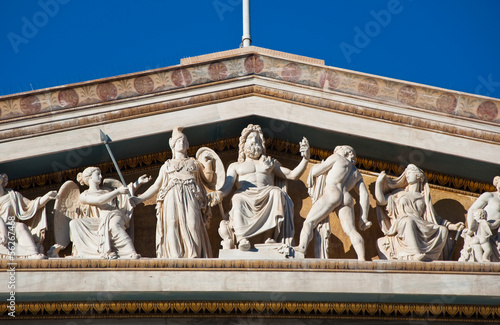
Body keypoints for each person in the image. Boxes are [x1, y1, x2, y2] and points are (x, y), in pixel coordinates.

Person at [209, 124, 310, 251]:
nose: (254, 141)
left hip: (267, 193)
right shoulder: (235, 166)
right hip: (245, 195)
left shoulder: (269, 163)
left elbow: (292, 175)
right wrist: (219, 194)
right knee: (237, 199)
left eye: (257, 139)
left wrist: (305, 159)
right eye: (251, 138)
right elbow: (228, 186)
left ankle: (269, 237)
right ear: (244, 144)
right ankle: (242, 239)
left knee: (276, 192)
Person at [131, 127, 214, 258]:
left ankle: (194, 256)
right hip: (171, 196)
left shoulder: (194, 163)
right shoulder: (167, 165)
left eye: (183, 141)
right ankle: (174, 257)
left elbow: (208, 180)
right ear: (172, 145)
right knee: (171, 224)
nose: (181, 143)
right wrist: (139, 199)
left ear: (187, 145)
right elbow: (156, 186)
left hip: (190, 196)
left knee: (193, 224)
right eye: (178, 141)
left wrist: (209, 165)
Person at [294, 145, 372, 260]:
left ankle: (302, 247)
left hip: (332, 192)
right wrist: (363, 217)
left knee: (309, 222)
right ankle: (361, 258)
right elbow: (364, 194)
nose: (335, 151)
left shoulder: (337, 158)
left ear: (343, 151)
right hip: (346, 197)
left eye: (337, 149)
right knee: (351, 231)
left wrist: (315, 166)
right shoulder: (356, 173)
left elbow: (316, 171)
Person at [374, 164, 464, 261]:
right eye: (406, 173)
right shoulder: (399, 193)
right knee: (408, 221)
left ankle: (430, 258)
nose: (407, 175)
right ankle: (414, 254)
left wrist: (453, 226)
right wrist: (379, 182)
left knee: (442, 230)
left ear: (419, 176)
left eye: (409, 173)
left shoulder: (423, 198)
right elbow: (382, 200)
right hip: (403, 222)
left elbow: (435, 218)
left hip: (420, 224)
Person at [68, 167, 148, 259]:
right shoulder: (84, 195)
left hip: (114, 214)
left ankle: (131, 252)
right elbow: (99, 200)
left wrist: (138, 182)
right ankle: (86, 253)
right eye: (97, 174)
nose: (101, 176)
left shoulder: (107, 190)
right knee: (74, 223)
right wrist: (117, 191)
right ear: (89, 177)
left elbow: (125, 193)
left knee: (113, 225)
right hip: (100, 221)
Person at [0, 173, 57, 259]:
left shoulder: (13, 196)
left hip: (11, 227)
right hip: (2, 231)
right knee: (18, 226)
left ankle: (33, 254)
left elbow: (31, 205)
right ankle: (32, 254)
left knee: (19, 226)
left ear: (1, 180)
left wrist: (47, 197)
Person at [459, 176, 500, 262]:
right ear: (497, 184)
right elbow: (472, 210)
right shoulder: (490, 195)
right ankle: (482, 259)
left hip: (497, 235)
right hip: (486, 233)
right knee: (480, 246)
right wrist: (471, 228)